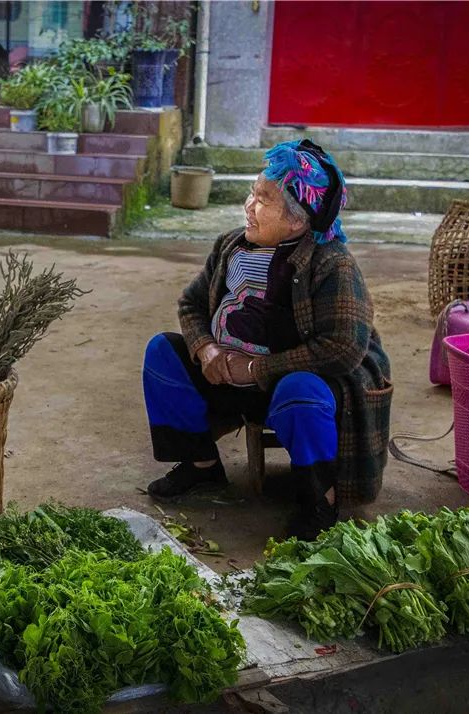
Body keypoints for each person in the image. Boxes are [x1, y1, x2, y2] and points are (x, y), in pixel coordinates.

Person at [141, 140, 393, 540]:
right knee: (162, 353)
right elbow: (191, 303)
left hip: (289, 384)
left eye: (263, 200)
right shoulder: (231, 246)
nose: (248, 205)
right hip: (226, 376)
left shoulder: (332, 264)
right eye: (252, 193)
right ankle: (202, 466)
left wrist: (258, 368)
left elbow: (344, 348)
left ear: (296, 221)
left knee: (302, 391)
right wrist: (207, 349)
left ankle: (319, 500)